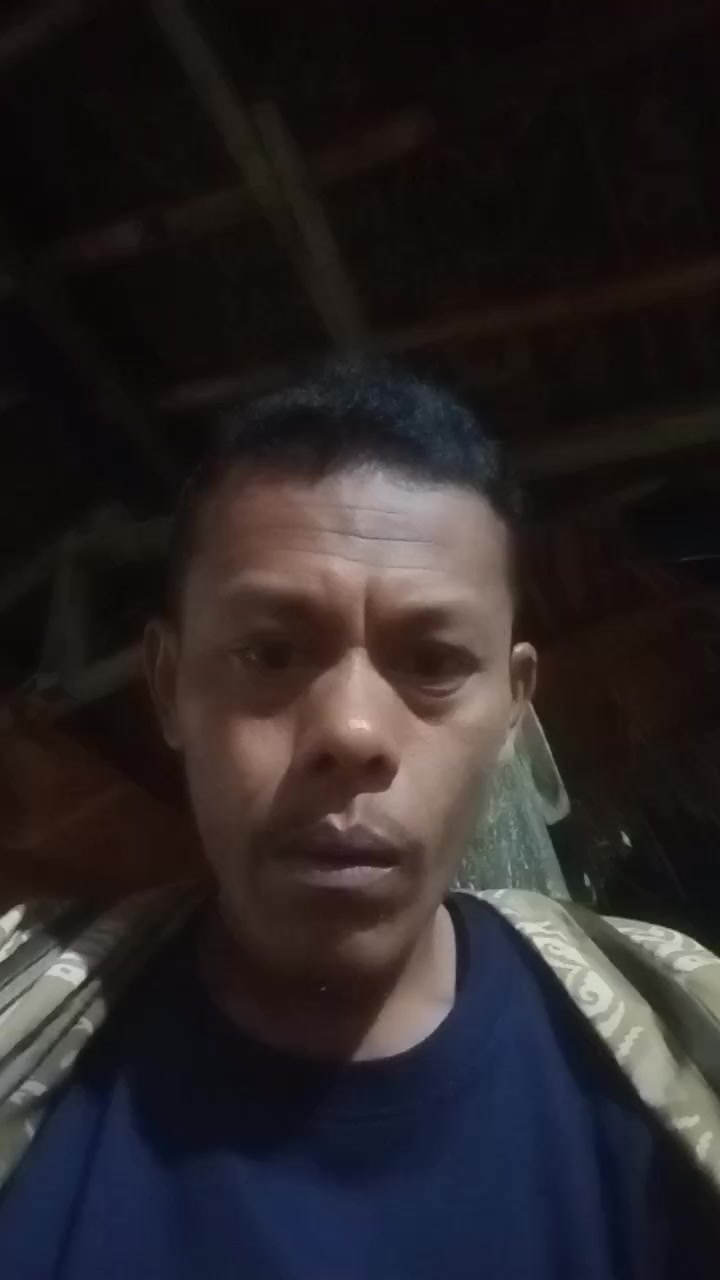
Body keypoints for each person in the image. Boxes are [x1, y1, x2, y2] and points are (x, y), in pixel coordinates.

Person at [0, 361, 718, 1278]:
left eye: (434, 661)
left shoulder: (685, 1044)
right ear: (169, 687)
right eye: (269, 652)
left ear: (513, 709)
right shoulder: (19, 1032)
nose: (351, 732)